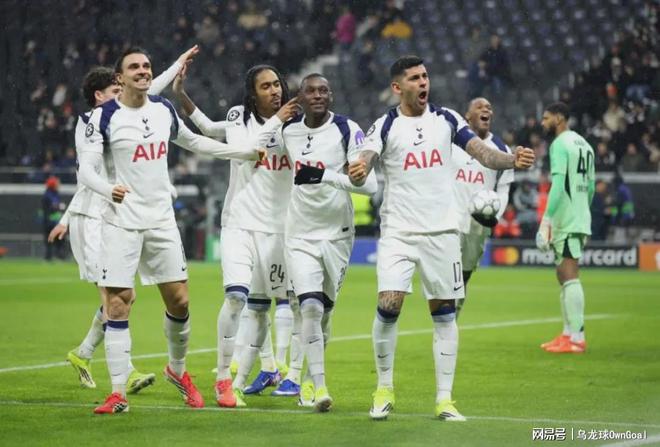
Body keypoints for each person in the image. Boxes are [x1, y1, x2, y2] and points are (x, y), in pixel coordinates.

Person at [78, 46, 265, 414]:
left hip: (161, 220)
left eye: (147, 66)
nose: (143, 71)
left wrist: (242, 153)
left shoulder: (163, 110)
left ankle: (177, 371)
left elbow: (194, 141)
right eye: (135, 67)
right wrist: (107, 189)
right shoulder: (102, 118)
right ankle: (118, 393)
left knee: (179, 301)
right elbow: (85, 169)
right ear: (120, 77)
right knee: (117, 303)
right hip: (120, 222)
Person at [347, 56, 535, 421]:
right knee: (388, 305)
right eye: (414, 78)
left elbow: (484, 154)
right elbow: (366, 157)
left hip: (443, 231)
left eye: (425, 76)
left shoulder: (447, 119)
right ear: (397, 87)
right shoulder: (386, 123)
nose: (423, 82)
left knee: (445, 314)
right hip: (399, 232)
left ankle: (445, 399)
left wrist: (512, 160)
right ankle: (383, 388)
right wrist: (359, 169)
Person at [48, 46, 199, 392]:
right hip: (94, 216)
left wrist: (177, 63)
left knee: (122, 297)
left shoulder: (126, 115)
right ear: (99, 96)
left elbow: (150, 88)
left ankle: (84, 353)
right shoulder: (90, 123)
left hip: (116, 211)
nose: (121, 95)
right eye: (115, 90)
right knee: (117, 297)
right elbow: (86, 178)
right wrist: (68, 217)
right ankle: (123, 373)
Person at [245, 73, 377, 412]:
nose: (317, 95)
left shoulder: (347, 129)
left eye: (323, 91)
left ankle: (305, 375)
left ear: (330, 96)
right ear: (299, 98)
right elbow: (252, 146)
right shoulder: (288, 130)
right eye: (310, 91)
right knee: (310, 308)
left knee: (325, 313)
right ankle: (319, 387)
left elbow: (370, 186)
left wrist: (326, 176)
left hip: (337, 235)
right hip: (299, 233)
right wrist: (277, 118)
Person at [172, 62, 299, 407]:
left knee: (276, 303)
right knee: (236, 297)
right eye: (266, 86)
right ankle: (223, 379)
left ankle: (282, 369)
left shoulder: (297, 126)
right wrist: (181, 95)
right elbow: (243, 149)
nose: (275, 91)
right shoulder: (239, 118)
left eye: (277, 84)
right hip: (239, 223)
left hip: (279, 229)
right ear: (252, 94)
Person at [536, 102, 595, 354]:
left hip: (566, 218)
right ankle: (567, 334)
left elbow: (558, 185)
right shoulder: (585, 145)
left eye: (546, 118)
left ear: (559, 118)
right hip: (578, 215)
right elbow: (590, 186)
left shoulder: (559, 144)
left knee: (569, 274)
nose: (543, 123)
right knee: (562, 274)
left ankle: (577, 338)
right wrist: (582, 212)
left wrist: (547, 220)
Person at [451, 98, 514, 315]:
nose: (486, 109)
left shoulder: (501, 149)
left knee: (464, 275)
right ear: (468, 116)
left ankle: (452, 316)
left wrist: (494, 215)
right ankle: (445, 319)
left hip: (478, 226)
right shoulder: (452, 142)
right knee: (448, 273)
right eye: (480, 107)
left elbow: (504, 189)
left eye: (489, 107)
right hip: (451, 219)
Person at [43, 176, 66, 261]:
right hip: (50, 222)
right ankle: (49, 257)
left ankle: (58, 256)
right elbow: (53, 207)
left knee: (58, 239)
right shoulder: (48, 195)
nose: (58, 185)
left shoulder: (55, 194)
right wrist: (59, 206)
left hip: (55, 221)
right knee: (51, 239)